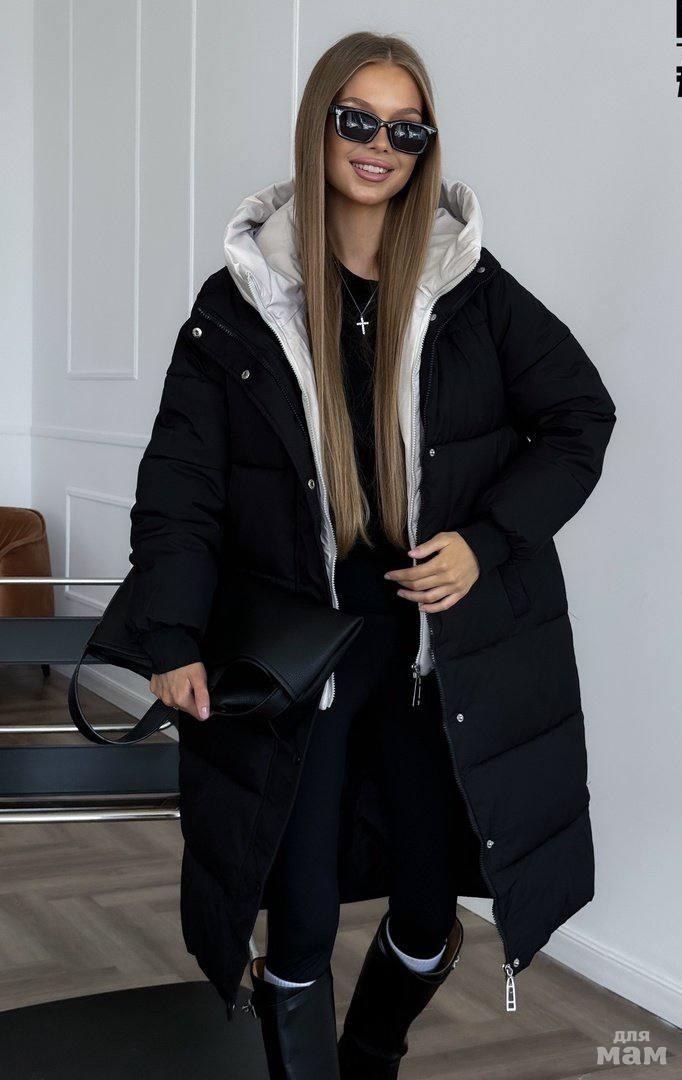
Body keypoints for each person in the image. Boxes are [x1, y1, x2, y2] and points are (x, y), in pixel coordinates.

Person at [127, 31, 616, 1080]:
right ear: (321, 124)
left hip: (433, 656)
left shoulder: (469, 288)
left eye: (406, 129)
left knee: (433, 910)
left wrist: (486, 542)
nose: (379, 145)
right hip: (299, 658)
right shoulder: (238, 304)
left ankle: (371, 1056)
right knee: (299, 914)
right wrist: (170, 635)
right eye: (359, 119)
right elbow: (180, 490)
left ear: (423, 147)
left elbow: (581, 416)